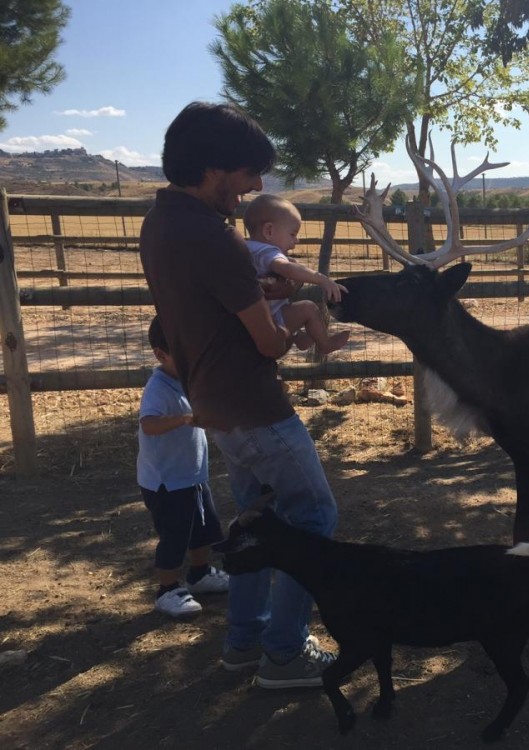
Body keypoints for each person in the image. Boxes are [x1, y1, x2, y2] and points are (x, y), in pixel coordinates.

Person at [139, 101, 340, 689]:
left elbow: (211, 303)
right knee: (314, 516)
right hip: (255, 404)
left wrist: (262, 293)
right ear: (213, 169)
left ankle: (245, 641)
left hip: (213, 406)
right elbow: (269, 344)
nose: (255, 188)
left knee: (257, 523)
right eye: (250, 173)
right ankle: (285, 652)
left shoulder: (160, 224)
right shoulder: (216, 238)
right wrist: (295, 327)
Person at [138, 316, 229, 619]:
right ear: (160, 355)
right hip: (167, 481)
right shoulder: (158, 388)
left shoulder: (186, 379)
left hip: (193, 476)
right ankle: (167, 590)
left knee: (204, 528)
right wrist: (184, 419)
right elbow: (149, 424)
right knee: (175, 534)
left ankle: (199, 574)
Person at [242, 193, 350, 355]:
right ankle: (325, 344)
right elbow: (287, 269)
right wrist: (321, 279)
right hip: (272, 318)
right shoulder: (268, 251)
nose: (296, 241)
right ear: (269, 231)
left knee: (293, 308)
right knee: (309, 308)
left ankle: (298, 337)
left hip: (256, 317)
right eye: (292, 234)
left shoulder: (247, 247)